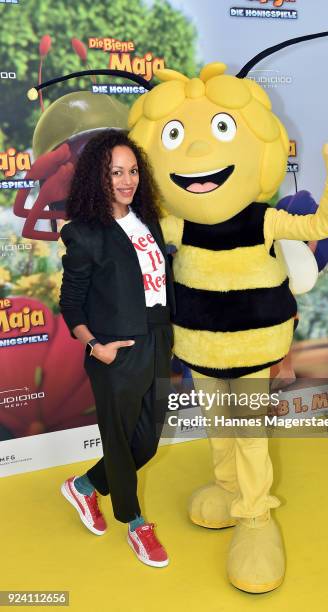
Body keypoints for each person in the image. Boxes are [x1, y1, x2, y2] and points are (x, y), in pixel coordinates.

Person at [59, 129, 175, 568]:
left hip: (159, 338)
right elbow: (70, 302)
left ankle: (85, 486)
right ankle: (136, 524)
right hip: (115, 351)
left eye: (132, 171)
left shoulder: (148, 220)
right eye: (115, 173)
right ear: (97, 177)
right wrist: (96, 346)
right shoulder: (84, 234)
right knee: (121, 442)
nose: (127, 181)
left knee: (145, 442)